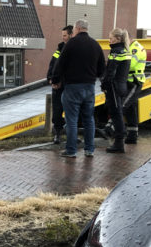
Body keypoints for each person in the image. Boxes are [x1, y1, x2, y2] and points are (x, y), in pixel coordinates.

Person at [50, 19, 105, 158]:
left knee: (72, 120)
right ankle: (89, 149)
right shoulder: (95, 44)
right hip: (89, 87)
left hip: (73, 87)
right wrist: (93, 76)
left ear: (78, 28)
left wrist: (55, 80)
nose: (73, 32)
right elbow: (102, 69)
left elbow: (60, 64)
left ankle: (71, 150)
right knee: (89, 119)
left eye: (74, 29)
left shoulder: (71, 44)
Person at [101, 28, 131, 153]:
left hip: (113, 87)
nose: (109, 40)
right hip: (122, 86)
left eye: (111, 38)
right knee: (118, 113)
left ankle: (119, 143)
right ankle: (119, 141)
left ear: (118, 39)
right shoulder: (125, 51)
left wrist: (104, 85)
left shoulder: (115, 52)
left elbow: (110, 72)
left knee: (116, 114)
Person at [46, 25, 74, 144]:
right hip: (57, 86)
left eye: (65, 35)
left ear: (71, 35)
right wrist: (50, 79)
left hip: (68, 85)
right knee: (57, 111)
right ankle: (57, 134)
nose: (63, 38)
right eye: (62, 35)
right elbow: (53, 64)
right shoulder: (60, 48)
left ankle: (71, 136)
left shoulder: (74, 49)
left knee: (71, 112)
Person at [123, 38, 146, 143]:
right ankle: (132, 136)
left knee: (125, 105)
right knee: (130, 109)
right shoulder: (131, 47)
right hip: (130, 81)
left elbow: (130, 64)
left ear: (129, 39)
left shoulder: (135, 48)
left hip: (134, 81)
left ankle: (111, 127)